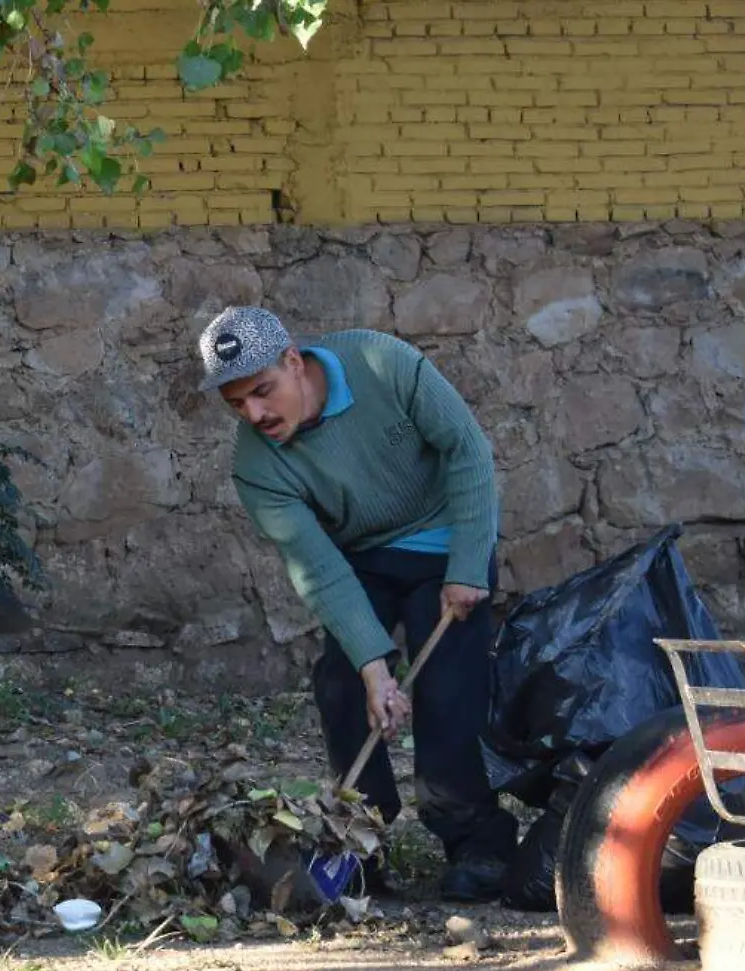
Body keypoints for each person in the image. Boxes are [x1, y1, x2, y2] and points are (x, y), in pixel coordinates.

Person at [195, 305, 517, 904]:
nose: (255, 415)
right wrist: (375, 669)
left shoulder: (383, 363)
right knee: (341, 685)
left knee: (449, 686)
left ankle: (476, 840)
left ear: (294, 361)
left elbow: (467, 450)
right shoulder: (255, 465)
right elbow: (316, 566)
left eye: (263, 392)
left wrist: (469, 567)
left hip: (445, 542)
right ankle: (361, 841)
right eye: (237, 405)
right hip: (360, 559)